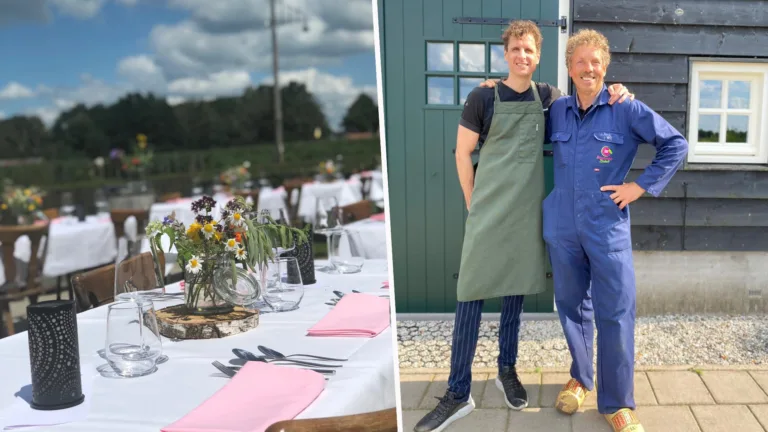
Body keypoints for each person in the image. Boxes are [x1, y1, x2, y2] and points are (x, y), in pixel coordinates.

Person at [412, 20, 632, 432]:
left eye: (529, 50)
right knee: (470, 296)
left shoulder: (549, 97)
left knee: (513, 294)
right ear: (506, 52)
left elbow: (589, 100)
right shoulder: (482, 96)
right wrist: (472, 202)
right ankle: (458, 391)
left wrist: (618, 92)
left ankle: (506, 370)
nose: (522, 56)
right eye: (516, 49)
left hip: (525, 212)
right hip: (488, 212)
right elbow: (462, 153)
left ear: (538, 54)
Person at [541, 29, 688, 432]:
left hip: (606, 226)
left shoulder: (626, 107)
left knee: (617, 309)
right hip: (563, 227)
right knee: (572, 307)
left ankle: (617, 402)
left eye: (596, 62)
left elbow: (675, 144)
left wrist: (639, 186)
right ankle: (581, 378)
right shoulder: (556, 110)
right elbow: (518, 108)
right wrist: (490, 88)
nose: (589, 68)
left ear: (605, 67)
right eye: (581, 62)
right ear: (570, 68)